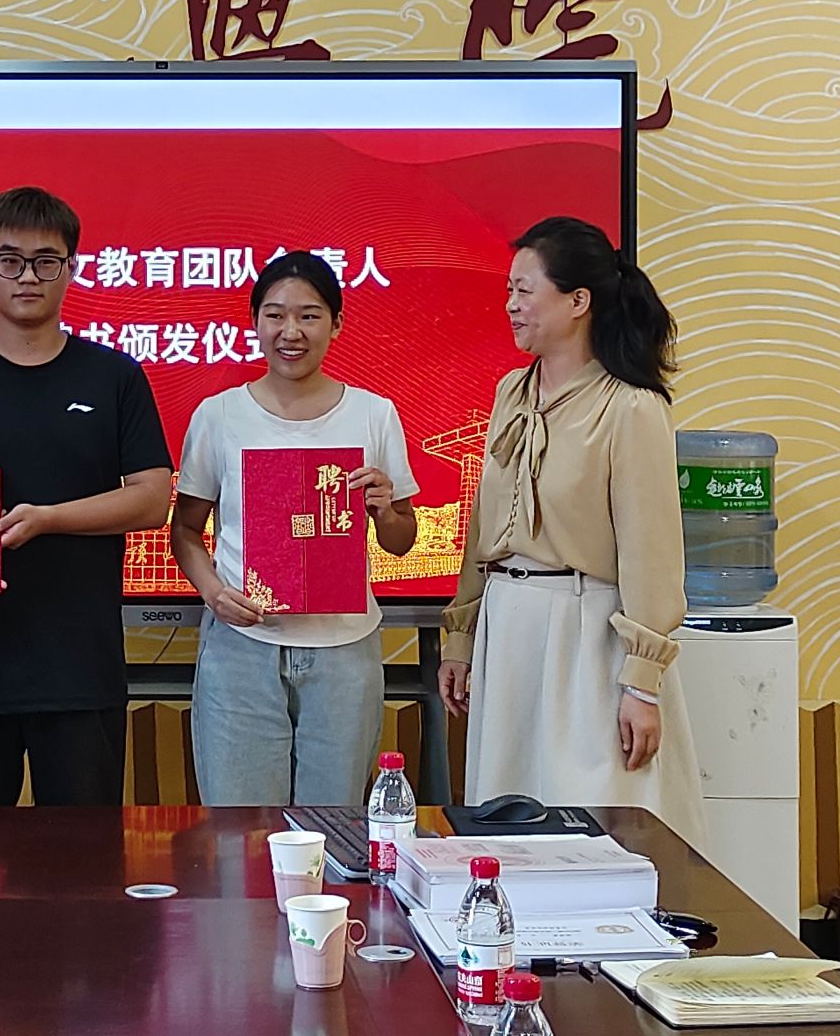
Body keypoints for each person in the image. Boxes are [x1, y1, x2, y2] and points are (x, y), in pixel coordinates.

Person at [0, 187, 175, 805]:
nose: (27, 276)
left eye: (46, 261)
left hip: (80, 671)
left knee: (83, 860)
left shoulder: (114, 377)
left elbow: (153, 499)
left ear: (71, 268)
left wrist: (48, 519)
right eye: (10, 260)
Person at [438, 217, 707, 846]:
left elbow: (652, 552)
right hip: (508, 625)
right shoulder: (511, 392)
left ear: (578, 300)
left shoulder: (631, 406)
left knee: (594, 822)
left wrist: (643, 682)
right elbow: (484, 525)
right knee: (506, 820)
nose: (511, 305)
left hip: (586, 633)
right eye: (509, 290)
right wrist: (461, 635)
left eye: (525, 290)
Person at [170, 251, 422, 806]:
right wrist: (213, 593)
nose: (291, 331)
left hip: (345, 652)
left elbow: (401, 539)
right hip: (242, 646)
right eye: (275, 315)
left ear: (337, 323)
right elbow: (184, 529)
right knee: (239, 831)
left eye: (309, 316)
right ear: (254, 321)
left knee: (335, 826)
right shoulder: (219, 415)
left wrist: (385, 510)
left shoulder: (373, 414)